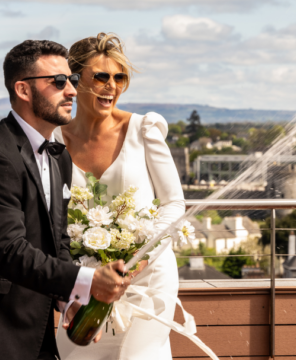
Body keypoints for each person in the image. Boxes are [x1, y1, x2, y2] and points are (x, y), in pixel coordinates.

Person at [0, 40, 131, 360]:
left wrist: (69, 300)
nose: (72, 91)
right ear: (23, 90)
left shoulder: (59, 158)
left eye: (72, 80)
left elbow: (56, 241)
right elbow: (9, 251)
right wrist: (88, 280)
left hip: (32, 322)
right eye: (58, 82)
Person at [55, 33, 185, 360]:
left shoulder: (144, 130)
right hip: (82, 281)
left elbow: (173, 203)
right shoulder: (52, 140)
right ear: (74, 79)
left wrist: (139, 257)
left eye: (119, 77)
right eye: (100, 76)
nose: (111, 85)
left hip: (146, 279)